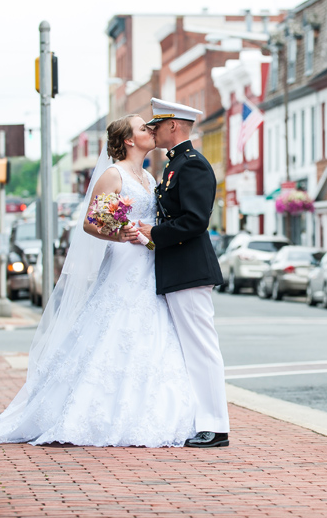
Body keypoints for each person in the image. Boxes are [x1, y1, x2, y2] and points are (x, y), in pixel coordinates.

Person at [0, 114, 195, 447]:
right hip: (124, 260)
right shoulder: (112, 175)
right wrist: (120, 234)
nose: (151, 130)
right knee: (111, 326)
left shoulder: (147, 176)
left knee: (152, 329)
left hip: (149, 261)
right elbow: (91, 223)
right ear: (129, 140)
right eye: (144, 127)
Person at [135, 98, 230, 448]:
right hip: (177, 268)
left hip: (190, 268)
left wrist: (153, 234)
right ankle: (199, 420)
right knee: (188, 349)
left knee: (201, 348)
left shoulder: (193, 165)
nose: (153, 131)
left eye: (157, 125)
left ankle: (215, 426)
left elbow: (194, 221)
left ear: (173, 125)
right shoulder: (175, 165)